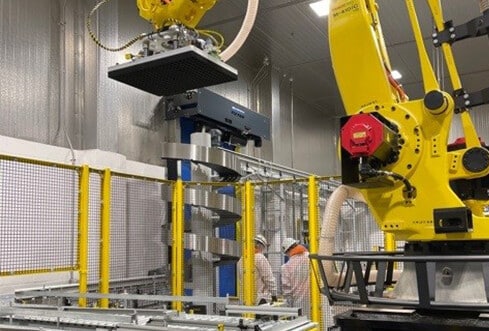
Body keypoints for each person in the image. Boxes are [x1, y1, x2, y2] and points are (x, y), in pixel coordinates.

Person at [237, 234, 278, 305]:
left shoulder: (241, 260)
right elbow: (269, 278)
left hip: (246, 300)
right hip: (260, 300)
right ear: (260, 246)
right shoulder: (260, 258)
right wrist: (274, 295)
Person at [281, 237, 310, 317]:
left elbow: (287, 291)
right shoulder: (311, 258)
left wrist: (289, 308)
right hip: (318, 302)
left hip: (299, 304)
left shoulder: (286, 267)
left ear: (287, 251)